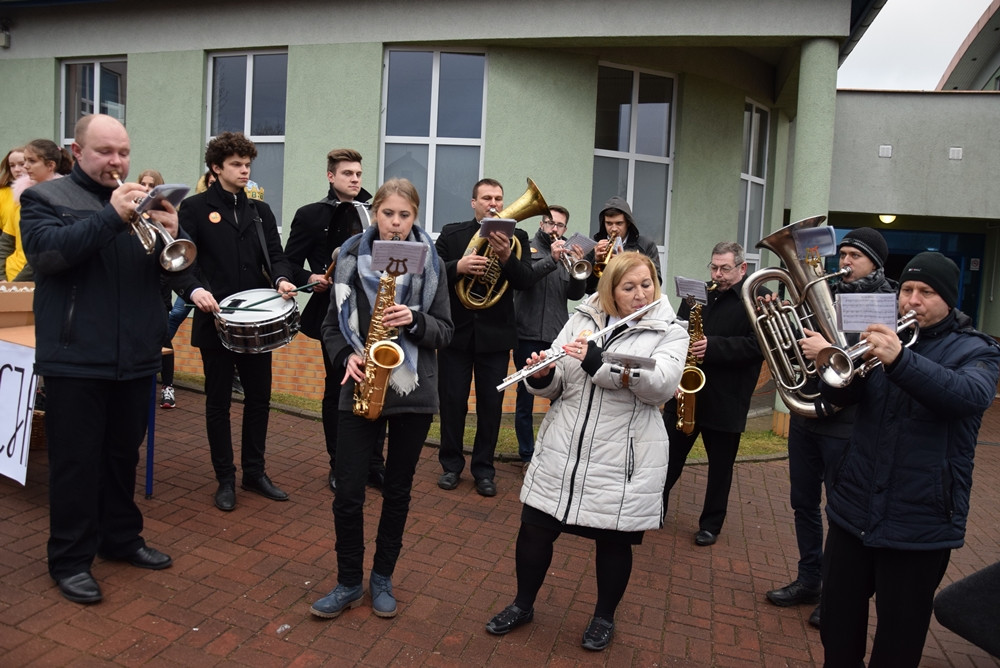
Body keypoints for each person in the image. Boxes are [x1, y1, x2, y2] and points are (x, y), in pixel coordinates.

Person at [485, 251, 687, 651]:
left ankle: (603, 618)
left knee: (613, 544)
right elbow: (560, 383)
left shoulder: (670, 330)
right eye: (628, 287)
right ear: (610, 290)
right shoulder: (583, 319)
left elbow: (661, 386)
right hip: (565, 449)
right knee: (534, 532)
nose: (640, 294)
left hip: (622, 456)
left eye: (646, 284)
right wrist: (543, 375)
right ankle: (522, 605)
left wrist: (600, 363)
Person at [20, 113, 176, 604]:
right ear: (76, 150)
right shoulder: (44, 198)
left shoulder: (139, 206)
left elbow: (156, 274)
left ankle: (120, 539)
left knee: (119, 457)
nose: (117, 161)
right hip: (75, 355)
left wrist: (166, 231)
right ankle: (69, 559)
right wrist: (112, 217)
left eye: (123, 152)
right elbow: (47, 256)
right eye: (106, 151)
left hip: (133, 355)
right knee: (75, 463)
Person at [817, 251, 1000, 668]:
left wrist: (899, 360)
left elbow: (965, 397)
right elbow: (842, 397)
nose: (912, 301)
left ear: (949, 300)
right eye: (907, 290)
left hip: (920, 520)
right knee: (837, 628)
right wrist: (830, 363)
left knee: (898, 643)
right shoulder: (883, 339)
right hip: (853, 510)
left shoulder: (978, 351)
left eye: (926, 292)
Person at [310, 178, 453, 620]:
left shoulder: (433, 264)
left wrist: (414, 320)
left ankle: (382, 577)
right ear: (376, 215)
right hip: (360, 383)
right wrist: (343, 359)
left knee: (397, 490)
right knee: (348, 492)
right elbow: (331, 326)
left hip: (413, 388)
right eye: (387, 214)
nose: (395, 224)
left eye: (404, 215)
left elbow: (445, 331)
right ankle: (349, 580)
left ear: (415, 216)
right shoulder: (350, 256)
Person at [765, 227, 895, 628]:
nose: (846, 261)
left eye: (856, 255)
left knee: (839, 511)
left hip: (846, 421)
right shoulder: (820, 295)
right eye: (844, 253)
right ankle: (810, 579)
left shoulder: (884, 303)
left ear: (875, 261)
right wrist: (778, 319)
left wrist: (825, 348)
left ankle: (838, 593)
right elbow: (796, 348)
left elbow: (872, 363)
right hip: (808, 414)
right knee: (802, 503)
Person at [173, 131, 297, 512]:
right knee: (218, 402)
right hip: (216, 321)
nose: (245, 171)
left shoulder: (259, 210)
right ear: (216, 168)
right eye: (237, 165)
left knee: (259, 399)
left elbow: (275, 255)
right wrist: (194, 292)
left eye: (248, 165)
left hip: (256, 322)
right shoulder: (193, 209)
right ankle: (225, 478)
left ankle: (255, 473)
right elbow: (179, 262)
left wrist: (281, 279)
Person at [285, 148, 385, 493]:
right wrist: (309, 277)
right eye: (347, 174)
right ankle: (339, 465)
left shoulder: (378, 212)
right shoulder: (310, 214)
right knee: (339, 389)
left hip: (378, 312)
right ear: (331, 176)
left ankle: (375, 464)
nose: (355, 179)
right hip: (336, 315)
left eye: (358, 173)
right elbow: (286, 263)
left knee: (378, 385)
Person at [435, 178, 537, 497]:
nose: (493, 203)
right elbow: (431, 271)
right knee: (452, 402)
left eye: (498, 198)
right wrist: (459, 266)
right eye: (486, 198)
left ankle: (484, 469)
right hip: (456, 334)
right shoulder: (452, 234)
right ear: (474, 203)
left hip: (495, 337)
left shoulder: (517, 236)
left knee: (491, 406)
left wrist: (506, 258)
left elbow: (526, 282)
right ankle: (451, 466)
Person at [662, 241, 763, 547]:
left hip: (727, 397)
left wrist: (714, 346)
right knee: (666, 458)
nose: (718, 275)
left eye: (725, 269)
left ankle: (711, 524)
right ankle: (654, 508)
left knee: (720, 468)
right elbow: (677, 331)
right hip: (688, 392)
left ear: (742, 268)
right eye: (714, 267)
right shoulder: (698, 294)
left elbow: (758, 346)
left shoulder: (753, 301)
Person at [512, 205, 586, 464]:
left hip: (556, 335)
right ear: (541, 224)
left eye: (560, 225)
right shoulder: (526, 248)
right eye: (550, 223)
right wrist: (551, 259)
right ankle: (526, 454)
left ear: (565, 229)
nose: (555, 229)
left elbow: (575, 295)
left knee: (559, 396)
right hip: (526, 332)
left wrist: (578, 268)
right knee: (525, 398)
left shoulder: (567, 254)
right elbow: (524, 280)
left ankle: (555, 451)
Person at [135, 169, 179, 410]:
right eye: (142, 183)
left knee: (164, 339)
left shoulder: (164, 214)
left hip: (159, 289)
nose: (145, 187)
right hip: (137, 289)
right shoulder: (132, 213)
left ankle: (168, 387)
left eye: (151, 184)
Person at [11, 139, 74, 282]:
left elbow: (46, 247)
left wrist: (16, 282)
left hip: (38, 276)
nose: (25, 166)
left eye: (31, 161)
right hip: (14, 272)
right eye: (25, 161)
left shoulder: (59, 198)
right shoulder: (23, 195)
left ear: (50, 165)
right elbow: (7, 240)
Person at [584, 196, 661, 293]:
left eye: (619, 223)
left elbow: (656, 281)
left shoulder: (646, 245)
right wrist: (595, 262)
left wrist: (625, 264)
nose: (614, 229)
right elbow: (587, 288)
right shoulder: (595, 245)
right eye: (609, 223)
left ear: (628, 223)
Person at [0, 147, 27, 280]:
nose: (17, 169)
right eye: (12, 166)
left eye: (21, 164)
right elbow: (6, 241)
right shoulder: (5, 194)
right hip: (12, 270)